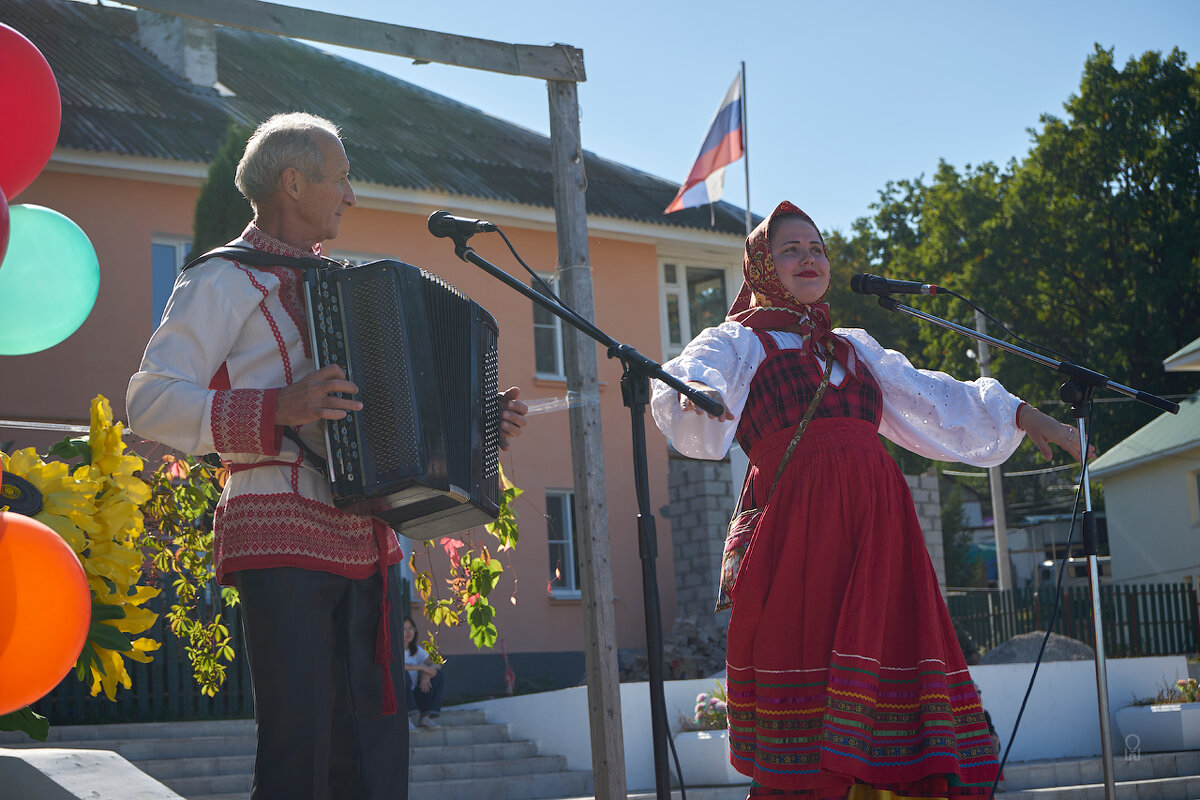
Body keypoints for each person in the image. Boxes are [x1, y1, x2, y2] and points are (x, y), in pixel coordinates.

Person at [126, 112, 528, 800]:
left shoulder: (352, 288)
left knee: (373, 751)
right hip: (276, 529)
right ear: (292, 182)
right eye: (340, 179)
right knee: (300, 744)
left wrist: (477, 424)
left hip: (365, 539)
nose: (350, 196)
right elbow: (151, 403)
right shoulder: (220, 279)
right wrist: (277, 408)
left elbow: (389, 412)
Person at [650, 201, 1088, 800]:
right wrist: (697, 393)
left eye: (817, 248)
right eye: (791, 249)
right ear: (761, 265)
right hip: (801, 533)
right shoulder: (738, 343)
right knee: (814, 686)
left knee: (888, 674)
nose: (809, 258)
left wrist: (1022, 412)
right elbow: (694, 375)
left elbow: (933, 394)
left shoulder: (855, 350)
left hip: (880, 530)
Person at [402, 616, 445, 729]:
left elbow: (437, 664)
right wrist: (422, 668)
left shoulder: (416, 650)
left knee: (437, 675)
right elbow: (399, 667)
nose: (408, 632)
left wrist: (427, 673)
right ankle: (406, 718)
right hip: (399, 697)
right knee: (403, 674)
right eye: (404, 628)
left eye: (410, 628)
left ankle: (425, 717)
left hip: (414, 695)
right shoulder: (394, 649)